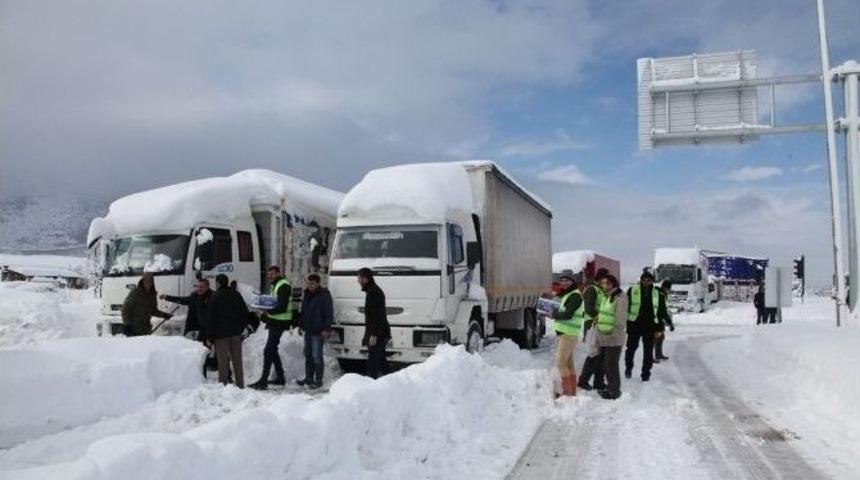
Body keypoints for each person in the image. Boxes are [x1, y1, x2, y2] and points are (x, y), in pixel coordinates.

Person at [250, 266, 294, 390]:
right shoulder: (276, 284)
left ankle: (263, 380)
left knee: (268, 350)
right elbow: (274, 303)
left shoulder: (283, 285)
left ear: (279, 273)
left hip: (280, 321)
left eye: (273, 274)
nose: (270, 276)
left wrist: (267, 312)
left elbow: (282, 307)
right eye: (269, 274)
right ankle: (280, 378)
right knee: (272, 350)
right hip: (276, 321)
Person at [160, 277, 213, 377]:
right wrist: (167, 297)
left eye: (201, 287)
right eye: (197, 287)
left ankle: (203, 375)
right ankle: (192, 375)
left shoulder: (212, 297)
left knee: (204, 353)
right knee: (191, 352)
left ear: (207, 287)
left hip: (206, 330)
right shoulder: (194, 296)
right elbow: (183, 300)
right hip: (192, 329)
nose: (199, 289)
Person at [624, 269, 668, 381]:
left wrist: (660, 328)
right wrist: (625, 323)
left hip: (650, 326)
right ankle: (628, 368)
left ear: (652, 281)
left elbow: (661, 311)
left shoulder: (658, 294)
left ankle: (646, 374)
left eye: (649, 280)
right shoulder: (632, 290)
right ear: (641, 280)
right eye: (644, 279)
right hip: (635, 324)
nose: (646, 281)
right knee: (631, 349)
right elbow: (625, 306)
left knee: (648, 351)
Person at [206, 274, 248, 388]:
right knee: (237, 361)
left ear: (218, 283)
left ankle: (223, 385)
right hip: (235, 333)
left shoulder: (215, 296)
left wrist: (210, 336)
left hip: (221, 336)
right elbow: (245, 312)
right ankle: (240, 384)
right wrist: (240, 327)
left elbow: (211, 318)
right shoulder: (236, 294)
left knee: (223, 362)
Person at [548, 274, 584, 397]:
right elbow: (563, 312)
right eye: (562, 281)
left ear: (572, 281)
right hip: (566, 333)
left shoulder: (574, 295)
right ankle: (572, 391)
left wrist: (554, 314)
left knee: (560, 362)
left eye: (567, 280)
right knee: (568, 363)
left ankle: (567, 392)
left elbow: (568, 314)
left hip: (568, 334)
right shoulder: (568, 294)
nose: (564, 283)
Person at [296, 273, 333, 389]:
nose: (309, 285)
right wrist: (301, 325)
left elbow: (329, 313)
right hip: (308, 330)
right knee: (308, 355)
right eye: (308, 283)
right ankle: (308, 378)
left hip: (318, 331)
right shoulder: (307, 294)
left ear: (318, 284)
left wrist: (326, 328)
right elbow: (304, 311)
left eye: (312, 283)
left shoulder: (324, 295)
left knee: (317, 355)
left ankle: (318, 380)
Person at [594, 274, 628, 400]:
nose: (602, 285)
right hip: (603, 336)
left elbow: (620, 319)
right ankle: (608, 386)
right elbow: (605, 313)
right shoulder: (606, 296)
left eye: (605, 283)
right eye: (602, 283)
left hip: (613, 337)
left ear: (611, 284)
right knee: (604, 364)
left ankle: (614, 391)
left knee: (611, 365)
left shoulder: (620, 297)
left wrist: (613, 334)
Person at [578, 268, 610, 391]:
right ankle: (583, 381)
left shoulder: (601, 290)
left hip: (600, 325)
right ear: (600, 278)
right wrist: (601, 316)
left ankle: (598, 382)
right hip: (592, 325)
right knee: (593, 354)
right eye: (605, 278)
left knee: (601, 355)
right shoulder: (592, 289)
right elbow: (589, 308)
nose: (606, 281)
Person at [359, 268, 390, 379]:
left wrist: (374, 335)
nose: (358, 281)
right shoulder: (371, 290)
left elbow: (377, 316)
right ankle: (393, 384)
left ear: (366, 278)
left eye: (360, 278)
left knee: (373, 363)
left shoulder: (374, 292)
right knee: (381, 361)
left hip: (378, 334)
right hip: (380, 332)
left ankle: (371, 385)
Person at [121, 272, 172, 336]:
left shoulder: (152, 295)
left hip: (145, 330)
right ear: (142, 281)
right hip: (133, 330)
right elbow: (126, 309)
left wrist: (164, 315)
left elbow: (153, 311)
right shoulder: (135, 292)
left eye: (150, 281)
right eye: (147, 281)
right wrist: (127, 324)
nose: (149, 283)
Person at [653, 281, 675, 362]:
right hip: (654, 318)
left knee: (661, 337)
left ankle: (658, 354)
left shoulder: (660, 293)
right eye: (669, 289)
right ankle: (652, 357)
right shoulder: (660, 295)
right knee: (655, 338)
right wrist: (670, 323)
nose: (669, 291)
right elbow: (663, 311)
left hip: (657, 318)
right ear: (665, 288)